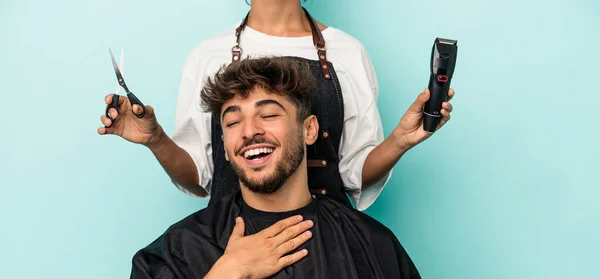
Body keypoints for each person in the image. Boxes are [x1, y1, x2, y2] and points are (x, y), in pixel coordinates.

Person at [108, 57, 459, 279]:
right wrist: (230, 272)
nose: (249, 131)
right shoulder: (181, 250)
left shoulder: (372, 246)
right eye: (232, 122)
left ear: (308, 130)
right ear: (225, 150)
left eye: (269, 114)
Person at [97, 0, 454, 210]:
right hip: (232, 247)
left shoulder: (348, 52)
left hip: (329, 244)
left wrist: (401, 141)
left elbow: (353, 172)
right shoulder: (208, 55)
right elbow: (200, 178)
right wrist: (156, 139)